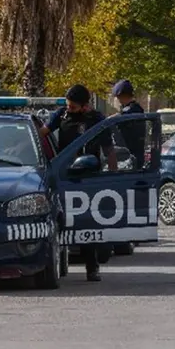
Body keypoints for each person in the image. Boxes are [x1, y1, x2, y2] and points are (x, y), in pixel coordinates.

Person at [38, 84, 116, 281]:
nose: (68, 109)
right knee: (61, 221)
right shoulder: (61, 115)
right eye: (67, 105)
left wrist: (114, 175)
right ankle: (59, 264)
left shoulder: (96, 119)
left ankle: (92, 267)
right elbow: (43, 132)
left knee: (86, 222)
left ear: (84, 105)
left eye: (73, 107)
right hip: (65, 175)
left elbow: (108, 149)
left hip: (88, 177)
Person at [110, 80, 146, 170]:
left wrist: (110, 119)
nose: (117, 100)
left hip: (131, 156)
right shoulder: (134, 109)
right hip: (130, 155)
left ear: (122, 96)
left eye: (118, 97)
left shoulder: (131, 110)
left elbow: (118, 119)